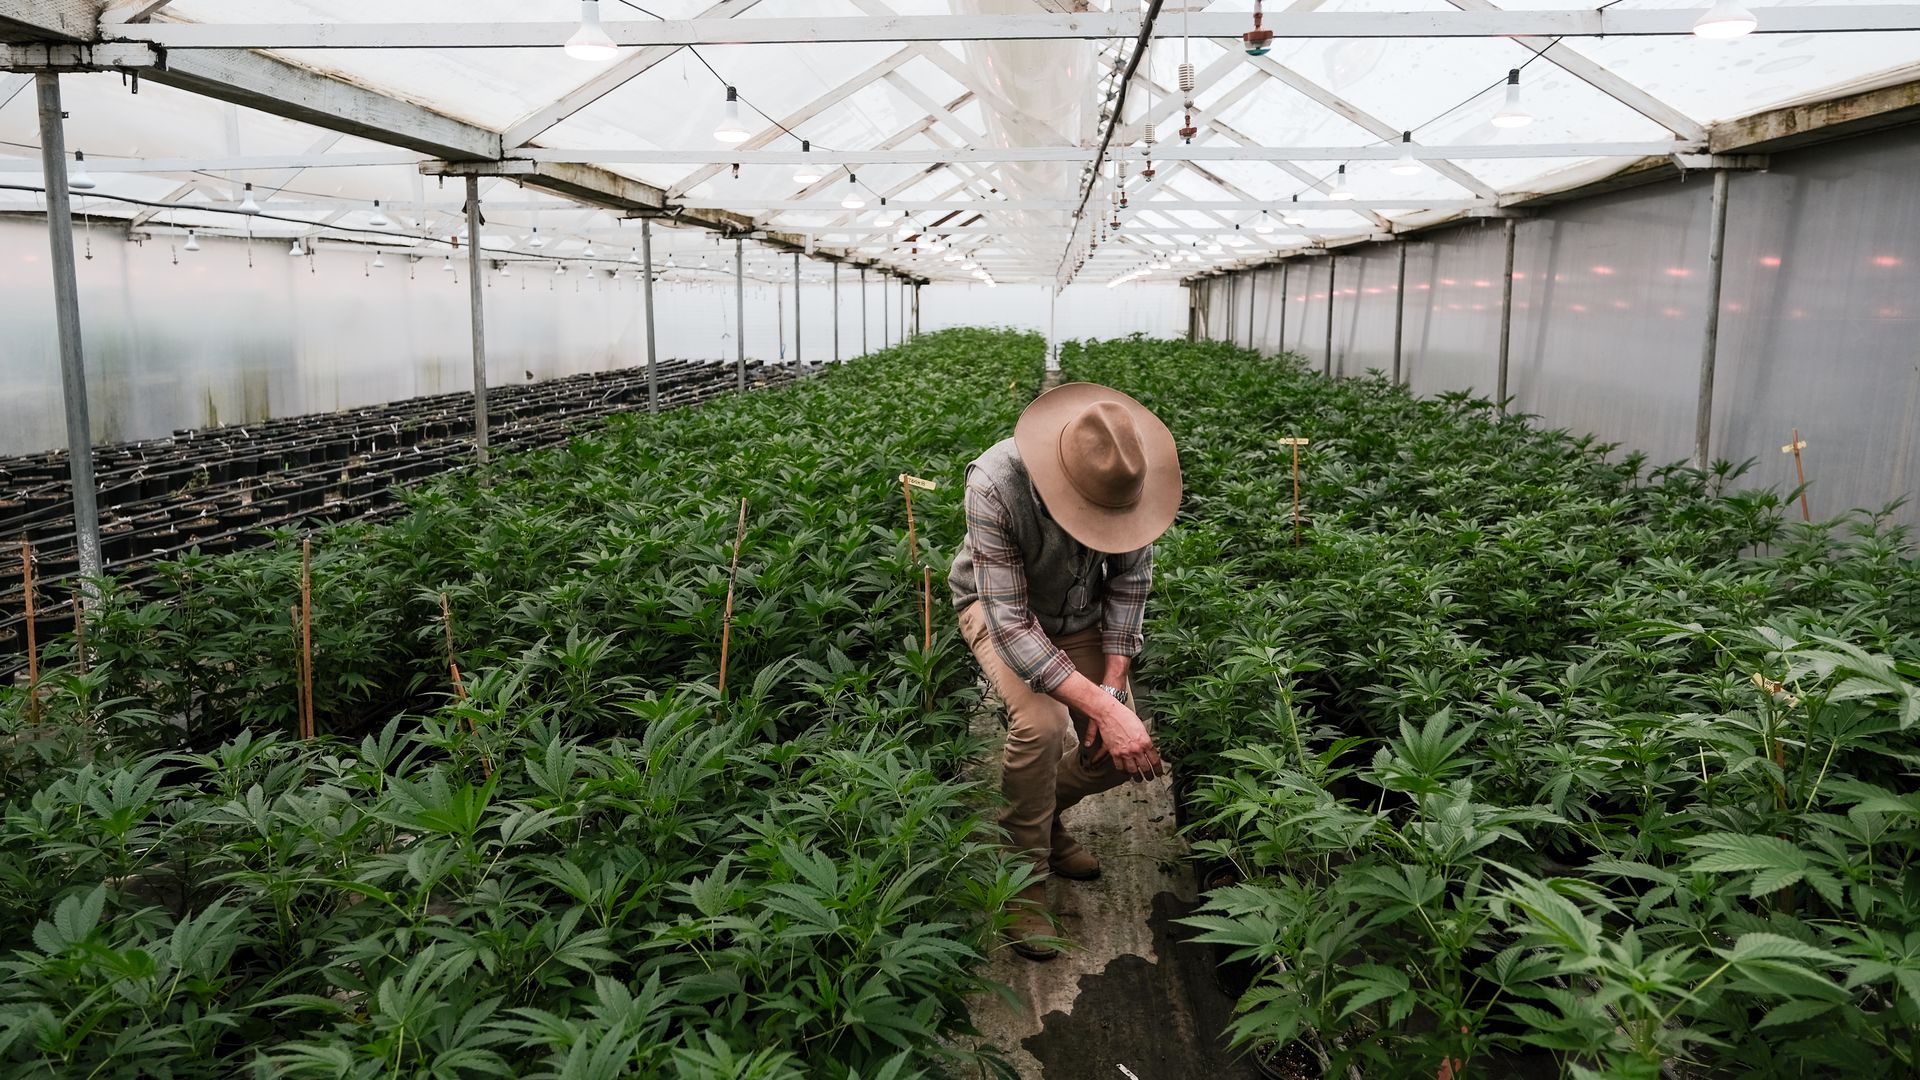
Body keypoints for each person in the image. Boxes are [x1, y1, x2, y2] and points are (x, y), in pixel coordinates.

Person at [951, 381, 1182, 961]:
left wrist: (1113, 689)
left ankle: (1046, 819)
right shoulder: (994, 483)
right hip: (1003, 610)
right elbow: (1010, 623)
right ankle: (1021, 880)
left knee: (1122, 749)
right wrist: (1103, 705)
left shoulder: (1132, 476)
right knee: (1043, 726)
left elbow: (1129, 586)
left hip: (1079, 615)